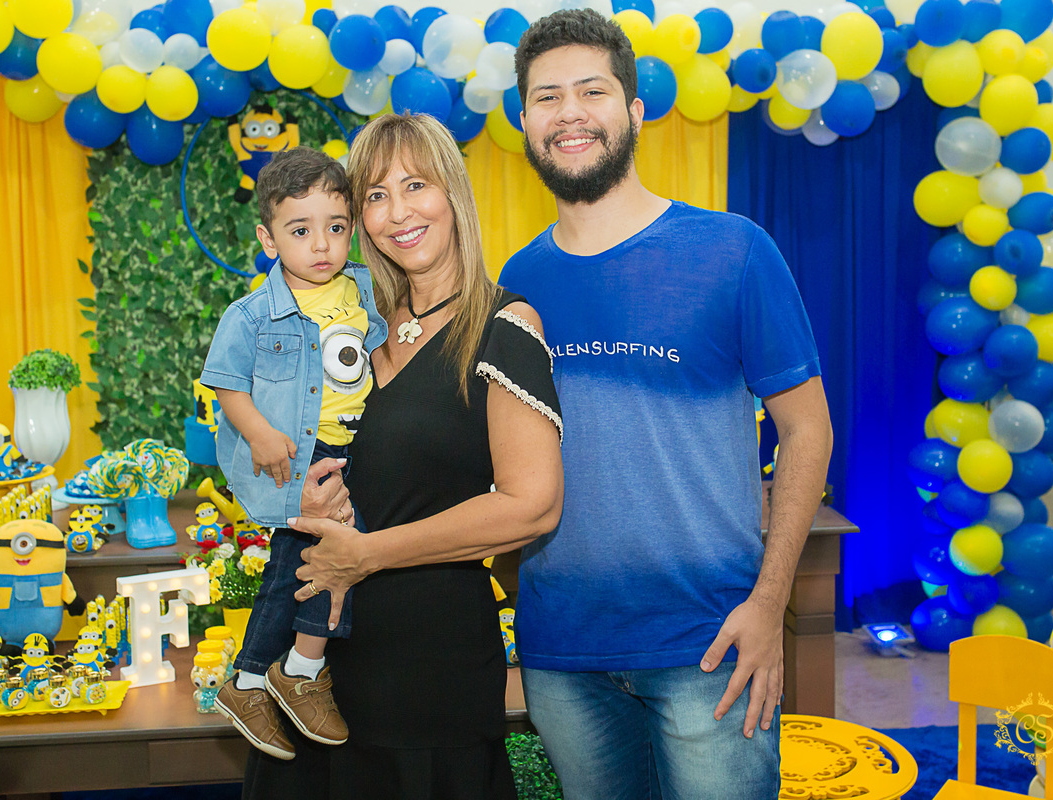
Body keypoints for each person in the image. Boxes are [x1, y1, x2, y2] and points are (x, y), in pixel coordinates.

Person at [497, 10, 834, 798]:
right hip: (562, 656)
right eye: (547, 97)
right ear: (525, 123)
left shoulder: (734, 250)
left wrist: (770, 604)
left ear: (635, 111)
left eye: (592, 91)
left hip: (709, 645)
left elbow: (807, 431)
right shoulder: (517, 282)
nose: (570, 112)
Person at [241, 112, 565, 800]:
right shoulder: (351, 324)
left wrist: (368, 554)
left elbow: (532, 506)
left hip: (427, 670)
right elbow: (277, 444)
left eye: (416, 186)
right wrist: (300, 492)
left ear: (453, 194)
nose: (397, 213)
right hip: (311, 669)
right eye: (376, 196)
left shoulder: (504, 326)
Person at [200, 146, 388, 760]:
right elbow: (226, 383)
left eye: (336, 227)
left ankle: (258, 680)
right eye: (301, 231)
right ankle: (292, 672)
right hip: (299, 454)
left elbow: (386, 351)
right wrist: (258, 432)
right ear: (269, 238)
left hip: (356, 448)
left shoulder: (363, 289)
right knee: (310, 561)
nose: (322, 245)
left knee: (314, 562)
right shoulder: (253, 314)